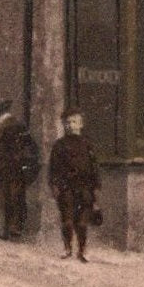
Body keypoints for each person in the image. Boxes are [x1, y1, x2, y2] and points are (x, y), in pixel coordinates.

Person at [48, 107, 101, 262]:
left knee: (82, 222)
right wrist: (55, 186)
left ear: (81, 124)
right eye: (68, 122)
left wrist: (96, 187)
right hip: (66, 189)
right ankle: (67, 248)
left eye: (74, 121)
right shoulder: (59, 145)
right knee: (67, 220)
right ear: (64, 125)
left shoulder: (87, 144)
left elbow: (94, 167)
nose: (71, 125)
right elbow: (53, 169)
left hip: (85, 188)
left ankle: (82, 250)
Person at [0, 105, 40, 239]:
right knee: (15, 198)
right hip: (13, 171)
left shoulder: (8, 134)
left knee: (10, 199)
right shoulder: (20, 133)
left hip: (10, 171)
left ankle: (12, 227)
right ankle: (13, 227)